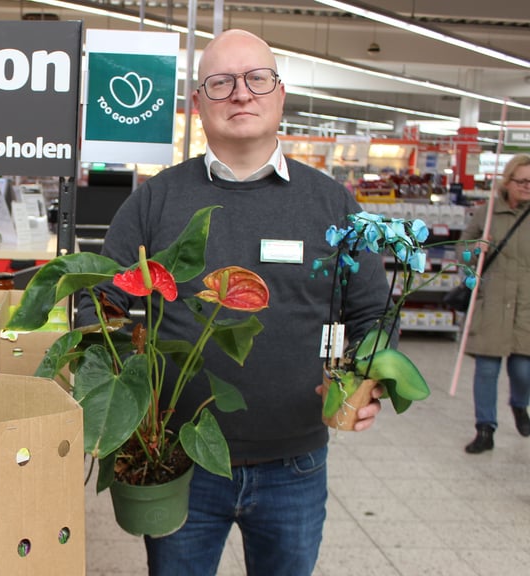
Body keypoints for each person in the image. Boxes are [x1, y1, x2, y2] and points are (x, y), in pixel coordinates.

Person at [77, 30, 386, 575]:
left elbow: (370, 315)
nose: (241, 94)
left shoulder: (331, 202)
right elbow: (100, 302)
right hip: (176, 463)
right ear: (198, 104)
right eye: (220, 83)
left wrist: (367, 379)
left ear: (280, 93)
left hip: (295, 462)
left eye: (256, 79)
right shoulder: (157, 199)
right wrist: (116, 389)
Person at [462, 153, 530, 454]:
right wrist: (475, 249)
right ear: (508, 181)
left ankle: (519, 405)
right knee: (487, 371)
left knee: (523, 371)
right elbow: (461, 251)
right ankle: (485, 428)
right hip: (492, 304)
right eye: (523, 181)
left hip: (526, 305)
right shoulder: (487, 213)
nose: (528, 186)